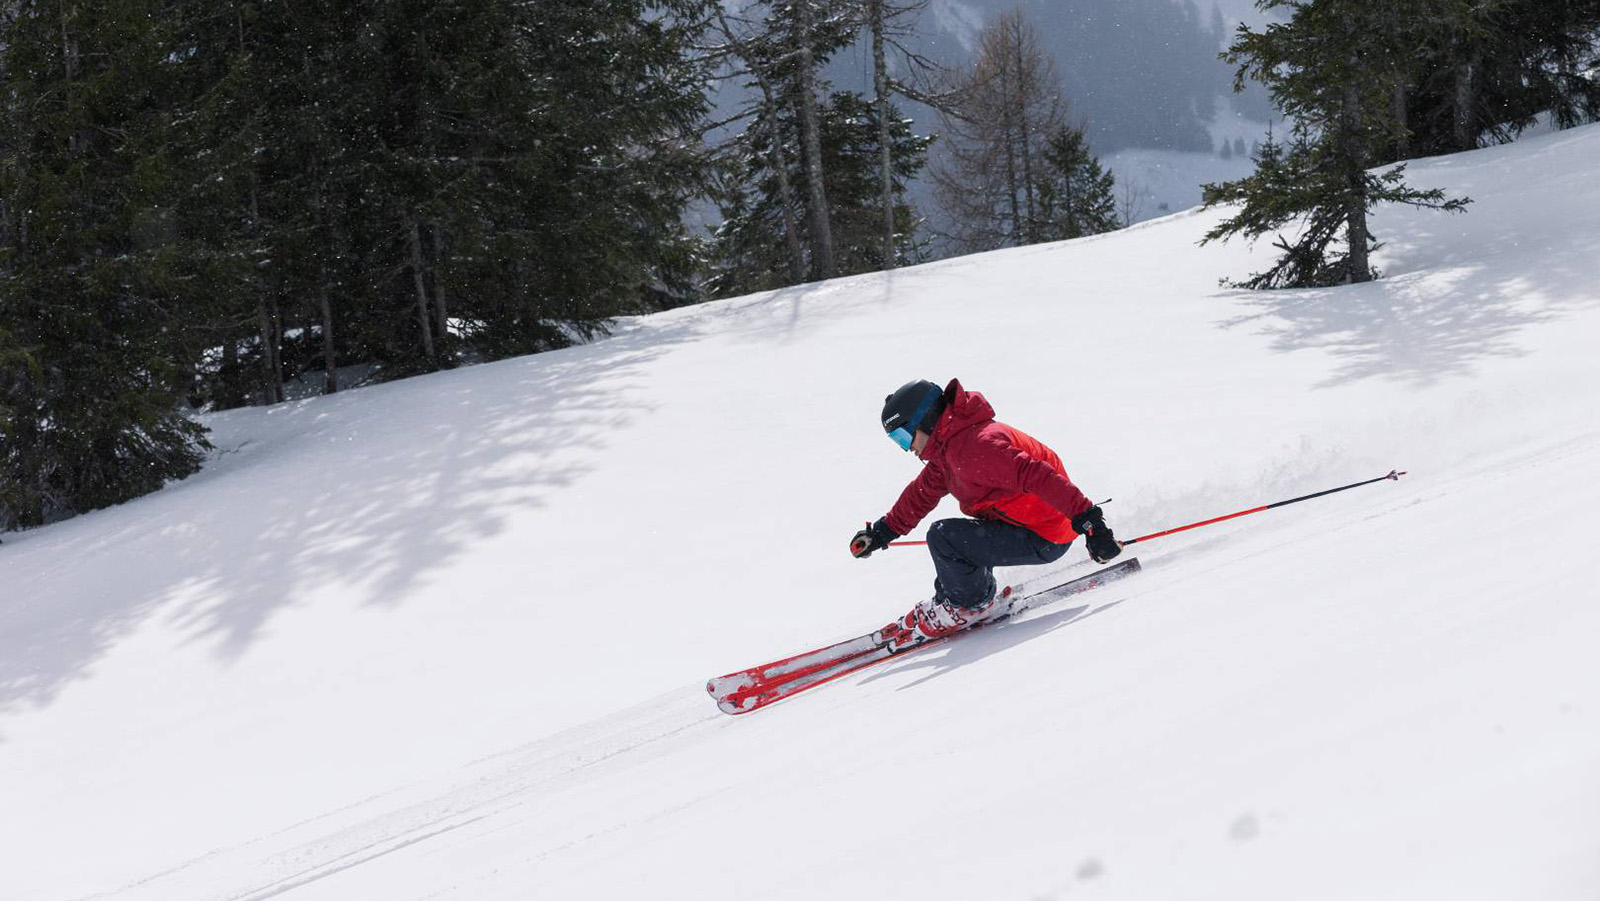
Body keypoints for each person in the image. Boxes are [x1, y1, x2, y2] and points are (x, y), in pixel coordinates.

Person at [849, 378, 1121, 648]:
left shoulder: (977, 446)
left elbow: (1039, 476)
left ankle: (969, 605)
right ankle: (952, 599)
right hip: (1027, 524)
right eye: (898, 441)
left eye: (903, 437)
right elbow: (921, 493)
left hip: (1045, 534)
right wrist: (883, 532)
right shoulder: (951, 448)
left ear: (925, 420)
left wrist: (1091, 523)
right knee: (957, 539)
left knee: (945, 537)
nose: (907, 448)